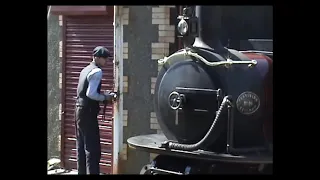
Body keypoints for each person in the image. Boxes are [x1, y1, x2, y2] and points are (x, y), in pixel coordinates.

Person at [75, 46, 116, 175]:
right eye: (105, 59)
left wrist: (102, 93)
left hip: (78, 111)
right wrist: (106, 97)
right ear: (97, 58)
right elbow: (91, 94)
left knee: (81, 148)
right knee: (93, 150)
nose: (106, 62)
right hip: (88, 113)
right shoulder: (97, 71)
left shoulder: (85, 70)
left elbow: (84, 92)